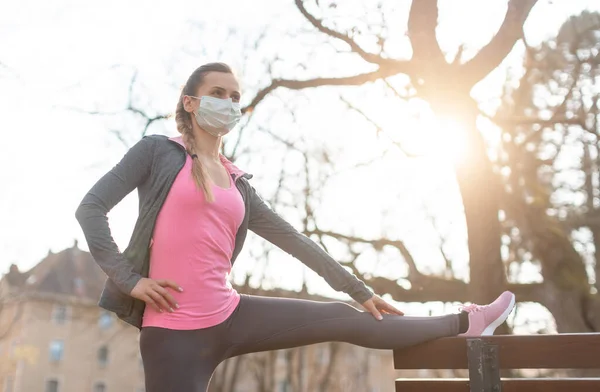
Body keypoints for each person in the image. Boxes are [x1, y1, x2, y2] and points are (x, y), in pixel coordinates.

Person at [75, 62, 516, 392]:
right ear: (190, 102)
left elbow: (295, 241)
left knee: (347, 317)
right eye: (217, 92)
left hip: (231, 315)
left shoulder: (238, 184)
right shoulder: (157, 153)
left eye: (234, 96)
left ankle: (466, 321)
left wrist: (360, 290)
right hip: (174, 335)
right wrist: (129, 279)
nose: (229, 102)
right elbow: (91, 208)